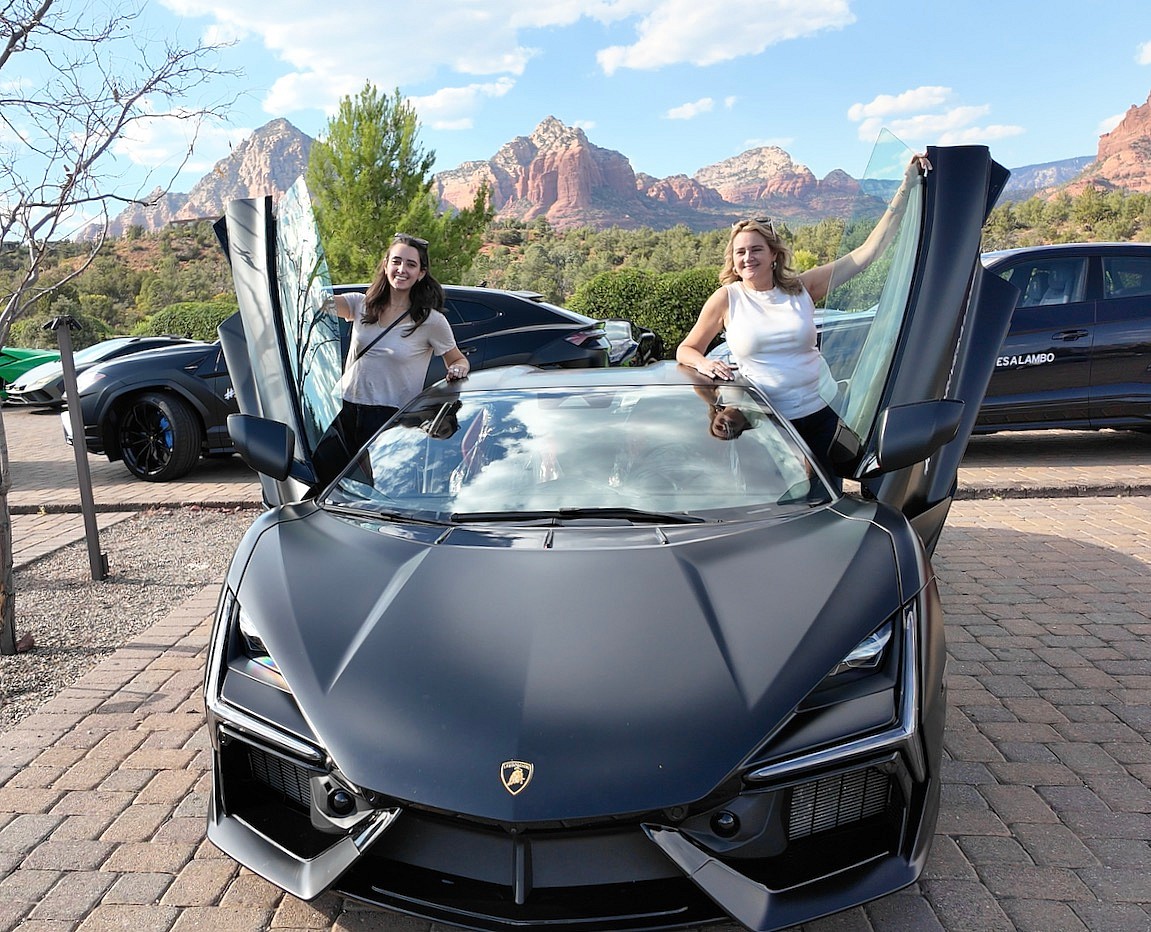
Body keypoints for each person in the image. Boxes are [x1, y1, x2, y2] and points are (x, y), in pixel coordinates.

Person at [676, 154, 931, 485]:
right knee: (783, 498)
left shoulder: (802, 288)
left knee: (828, 495)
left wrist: (906, 187)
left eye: (756, 249)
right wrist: (706, 364)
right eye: (740, 252)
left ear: (773, 255)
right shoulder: (727, 298)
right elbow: (687, 349)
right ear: (733, 260)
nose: (748, 257)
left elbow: (867, 253)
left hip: (824, 413)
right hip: (767, 421)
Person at [324, 233, 469, 452]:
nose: (401, 269)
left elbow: (458, 359)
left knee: (371, 475)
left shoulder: (432, 321)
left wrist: (458, 368)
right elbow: (316, 303)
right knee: (329, 472)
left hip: (389, 419)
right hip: (342, 407)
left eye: (411, 264)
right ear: (386, 265)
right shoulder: (360, 304)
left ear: (421, 274)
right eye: (396, 261)